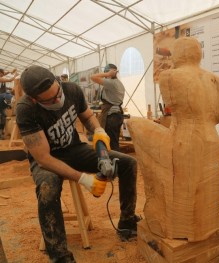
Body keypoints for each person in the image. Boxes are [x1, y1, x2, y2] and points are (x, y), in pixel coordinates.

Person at [16, 65, 139, 262]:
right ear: (34, 99)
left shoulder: (71, 90)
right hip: (47, 158)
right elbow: (43, 158)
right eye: (50, 100)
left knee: (128, 163)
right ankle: (60, 255)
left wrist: (98, 130)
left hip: (74, 149)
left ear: (58, 82)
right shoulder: (26, 109)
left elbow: (88, 116)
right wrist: (83, 179)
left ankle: (127, 222)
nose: (57, 100)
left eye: (57, 94)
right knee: (48, 188)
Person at [90, 64, 125, 151]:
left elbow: (93, 77)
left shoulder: (112, 83)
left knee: (112, 144)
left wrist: (108, 74)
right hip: (116, 115)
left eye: (106, 72)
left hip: (112, 116)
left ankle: (115, 162)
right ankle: (116, 161)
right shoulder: (117, 83)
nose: (104, 75)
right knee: (114, 141)